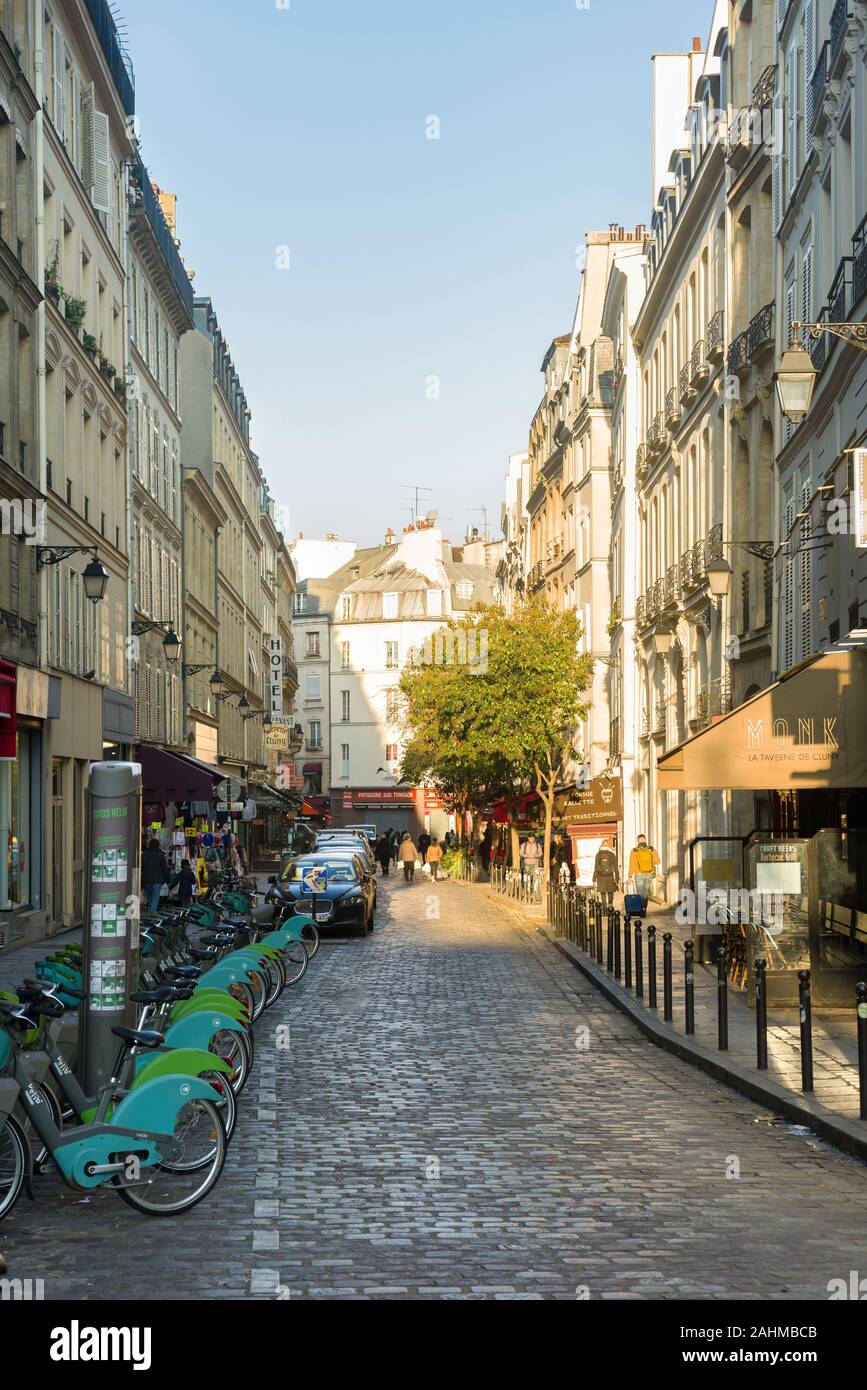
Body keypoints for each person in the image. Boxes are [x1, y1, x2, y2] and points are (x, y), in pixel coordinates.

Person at [628, 834, 660, 910]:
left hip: (638, 874)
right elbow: (657, 861)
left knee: (639, 893)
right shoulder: (651, 849)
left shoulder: (634, 850)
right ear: (645, 840)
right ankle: (644, 908)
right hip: (649, 874)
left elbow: (632, 864)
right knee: (645, 893)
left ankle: (640, 909)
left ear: (638, 841)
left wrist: (629, 876)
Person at [141, 838, 170, 913]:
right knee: (155, 897)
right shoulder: (161, 855)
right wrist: (168, 880)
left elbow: (142, 868)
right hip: (158, 880)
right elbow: (164, 869)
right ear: (158, 845)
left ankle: (150, 911)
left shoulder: (144, 854)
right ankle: (152, 912)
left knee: (149, 896)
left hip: (147, 879)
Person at [592, 837, 619, 910]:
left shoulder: (598, 855)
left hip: (601, 877)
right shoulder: (612, 854)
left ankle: (604, 907)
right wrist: (617, 878)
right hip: (610, 876)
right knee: (610, 891)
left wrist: (594, 879)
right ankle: (610, 903)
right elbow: (615, 867)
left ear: (601, 845)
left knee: (603, 892)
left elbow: (596, 867)